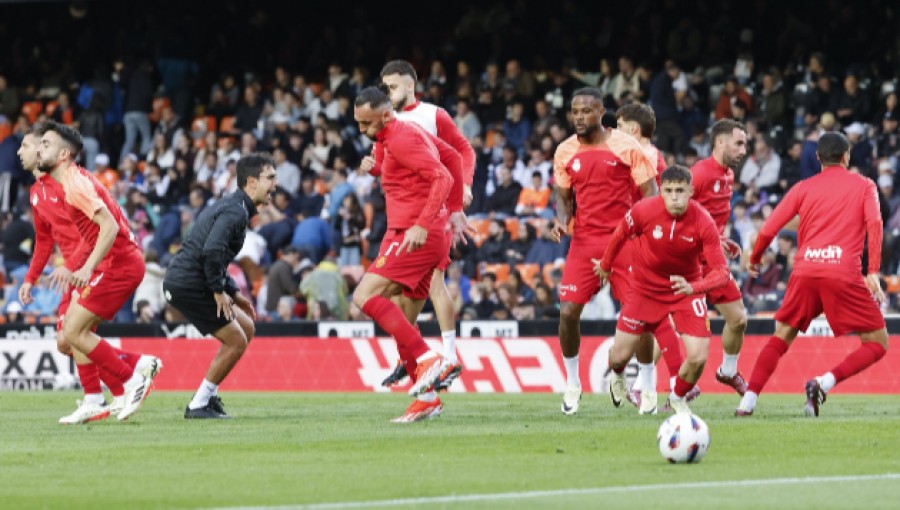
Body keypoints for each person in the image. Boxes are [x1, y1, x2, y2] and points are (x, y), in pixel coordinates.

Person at [736, 132, 888, 417]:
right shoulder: (865, 185)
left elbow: (769, 227)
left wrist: (754, 258)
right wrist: (873, 271)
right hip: (842, 271)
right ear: (846, 157)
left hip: (805, 269)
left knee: (781, 336)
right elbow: (875, 224)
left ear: (818, 158)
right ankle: (822, 383)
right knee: (878, 342)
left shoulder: (803, 187)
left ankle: (748, 402)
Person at [18, 125, 158, 424]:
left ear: (63, 154)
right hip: (105, 263)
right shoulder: (53, 187)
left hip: (112, 264)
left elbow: (108, 227)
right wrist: (32, 277)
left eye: (43, 144)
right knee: (72, 332)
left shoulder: (72, 183)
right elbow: (49, 240)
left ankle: (131, 377)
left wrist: (82, 266)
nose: (33, 150)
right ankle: (105, 393)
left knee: (72, 332)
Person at [352, 86, 462, 423]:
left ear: (385, 115)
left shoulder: (400, 137)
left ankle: (430, 358)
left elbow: (442, 175)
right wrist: (453, 212)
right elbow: (453, 158)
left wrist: (422, 223)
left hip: (413, 234)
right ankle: (427, 399)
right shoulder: (398, 136)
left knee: (363, 295)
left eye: (366, 123)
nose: (362, 130)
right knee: (403, 317)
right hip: (417, 232)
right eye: (358, 123)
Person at [550, 87, 658, 415]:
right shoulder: (564, 151)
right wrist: (560, 221)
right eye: (575, 111)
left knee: (639, 315)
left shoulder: (627, 146)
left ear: (601, 112)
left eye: (586, 111)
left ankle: (648, 385)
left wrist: (648, 233)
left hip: (625, 241)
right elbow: (563, 198)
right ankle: (572, 383)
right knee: (568, 312)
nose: (579, 117)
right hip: (584, 243)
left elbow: (650, 192)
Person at [370, 60, 475, 385]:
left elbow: (462, 151)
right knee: (401, 296)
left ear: (409, 84)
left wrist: (464, 186)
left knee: (433, 283)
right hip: (402, 215)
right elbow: (385, 165)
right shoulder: (386, 121)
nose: (388, 92)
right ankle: (414, 358)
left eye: (392, 86)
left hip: (433, 213)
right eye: (385, 87)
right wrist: (373, 167)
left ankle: (445, 357)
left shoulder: (433, 115)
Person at [596, 165, 730, 414]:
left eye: (680, 190)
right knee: (619, 357)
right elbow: (620, 234)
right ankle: (617, 375)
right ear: (661, 192)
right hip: (644, 289)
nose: (675, 196)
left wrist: (694, 286)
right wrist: (605, 265)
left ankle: (678, 396)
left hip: (684, 289)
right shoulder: (644, 210)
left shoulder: (703, 221)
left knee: (698, 357)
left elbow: (722, 272)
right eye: (668, 190)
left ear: (691, 191)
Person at [163, 153, 277, 419]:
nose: (275, 184)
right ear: (251, 182)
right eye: (270, 178)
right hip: (188, 284)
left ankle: (209, 398)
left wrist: (234, 294)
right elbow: (212, 252)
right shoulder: (236, 211)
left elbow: (215, 254)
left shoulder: (235, 207)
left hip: (193, 280)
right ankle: (199, 405)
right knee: (236, 340)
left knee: (246, 327)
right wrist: (218, 291)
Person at [615, 102, 696, 413]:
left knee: (651, 312)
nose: (615, 134)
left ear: (634, 130)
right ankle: (654, 384)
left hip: (647, 244)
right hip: (650, 242)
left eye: (620, 127)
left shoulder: (644, 157)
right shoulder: (654, 157)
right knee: (652, 314)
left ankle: (672, 382)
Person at [689, 119, 750, 396]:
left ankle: (727, 370)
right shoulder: (699, 174)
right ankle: (647, 385)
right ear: (720, 142)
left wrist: (722, 240)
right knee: (679, 328)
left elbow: (709, 220)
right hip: (688, 263)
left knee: (738, 319)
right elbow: (677, 214)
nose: (743, 150)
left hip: (714, 263)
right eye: (739, 143)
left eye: (745, 144)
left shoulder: (727, 176)